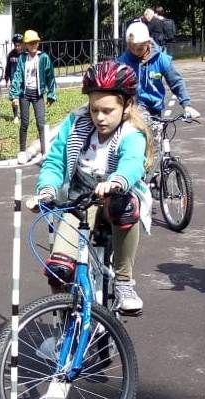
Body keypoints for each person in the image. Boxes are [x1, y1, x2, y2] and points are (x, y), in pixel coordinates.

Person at [33, 60, 153, 313]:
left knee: (125, 206)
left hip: (111, 201)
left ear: (127, 105)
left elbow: (132, 162)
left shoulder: (132, 132)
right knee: (58, 271)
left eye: (108, 110)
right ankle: (66, 331)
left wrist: (116, 182)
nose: (99, 117)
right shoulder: (76, 123)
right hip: (78, 202)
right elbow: (55, 161)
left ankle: (124, 282)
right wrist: (47, 190)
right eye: (94, 108)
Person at [117, 21, 200, 180]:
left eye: (139, 47)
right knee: (139, 142)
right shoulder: (123, 62)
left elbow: (176, 82)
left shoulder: (161, 59)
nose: (135, 51)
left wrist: (187, 105)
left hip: (154, 109)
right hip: (132, 109)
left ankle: (153, 177)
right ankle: (137, 175)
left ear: (148, 43)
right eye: (131, 47)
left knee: (155, 145)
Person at [9, 29, 57, 165]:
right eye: (30, 43)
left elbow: (50, 76)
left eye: (35, 42)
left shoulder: (44, 58)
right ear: (26, 44)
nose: (33, 45)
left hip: (38, 94)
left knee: (41, 124)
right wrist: (14, 95)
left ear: (38, 43)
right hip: (25, 94)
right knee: (24, 123)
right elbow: (17, 76)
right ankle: (22, 151)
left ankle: (45, 153)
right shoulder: (22, 58)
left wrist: (51, 94)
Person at [5, 34, 24, 124]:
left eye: (19, 45)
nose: (17, 47)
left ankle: (24, 115)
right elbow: (8, 67)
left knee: (23, 98)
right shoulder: (11, 55)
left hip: (24, 80)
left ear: (22, 44)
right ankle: (16, 116)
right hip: (14, 80)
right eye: (15, 45)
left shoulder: (26, 54)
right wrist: (7, 78)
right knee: (14, 98)